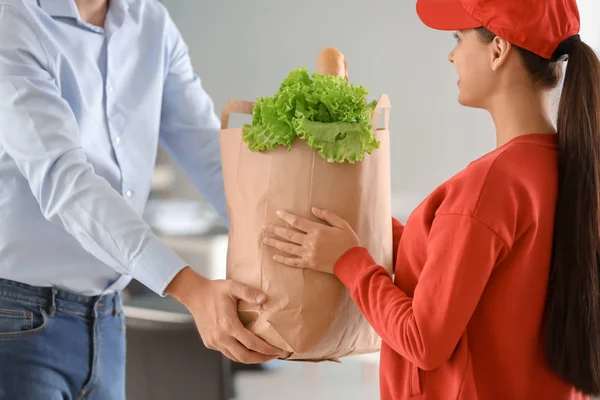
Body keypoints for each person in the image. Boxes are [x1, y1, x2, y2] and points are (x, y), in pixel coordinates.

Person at [263, 0, 600, 398]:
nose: (451, 54)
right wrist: (368, 231)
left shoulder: (489, 185)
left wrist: (349, 263)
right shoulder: (569, 168)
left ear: (498, 50)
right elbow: (471, 271)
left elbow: (424, 342)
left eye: (459, 38)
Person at [0, 0, 282, 398]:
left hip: (108, 316)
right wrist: (189, 287)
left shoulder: (151, 23)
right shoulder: (14, 19)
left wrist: (281, 244)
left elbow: (210, 154)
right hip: (17, 317)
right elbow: (65, 182)